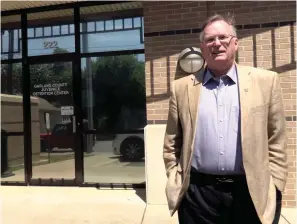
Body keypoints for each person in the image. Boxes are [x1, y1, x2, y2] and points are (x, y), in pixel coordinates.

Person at [163, 14, 288, 224]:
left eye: (223, 37)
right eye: (210, 40)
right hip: (197, 195)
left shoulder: (266, 81)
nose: (217, 44)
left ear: (236, 43)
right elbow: (171, 142)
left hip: (250, 191)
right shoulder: (182, 87)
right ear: (202, 48)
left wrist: (276, 185)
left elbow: (277, 138)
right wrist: (174, 175)